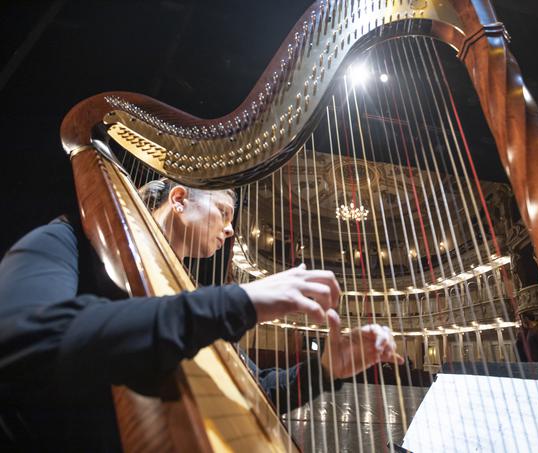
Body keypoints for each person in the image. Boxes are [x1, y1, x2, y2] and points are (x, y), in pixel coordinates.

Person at [0, 178, 402, 451]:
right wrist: (238, 301)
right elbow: (22, 340)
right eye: (225, 212)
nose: (230, 230)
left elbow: (254, 388)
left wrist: (325, 369)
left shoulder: (184, 292)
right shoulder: (66, 239)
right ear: (178, 200)